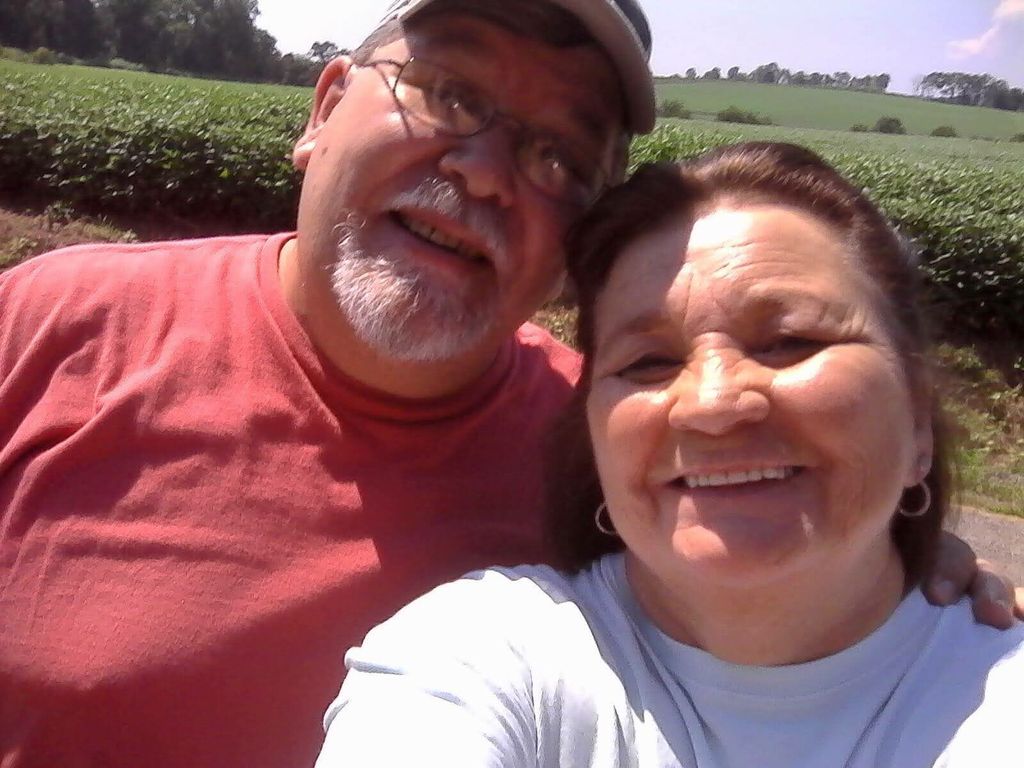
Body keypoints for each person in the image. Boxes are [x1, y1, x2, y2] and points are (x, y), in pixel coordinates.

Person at [0, 0, 1014, 764]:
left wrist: (881, 553)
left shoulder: (617, 445)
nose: (485, 171)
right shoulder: (49, 322)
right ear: (324, 107)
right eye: (449, 94)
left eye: (559, 157)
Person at [316, 143, 1024, 768]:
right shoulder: (479, 654)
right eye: (648, 362)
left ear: (918, 421)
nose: (712, 402)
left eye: (790, 342)